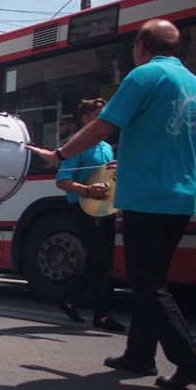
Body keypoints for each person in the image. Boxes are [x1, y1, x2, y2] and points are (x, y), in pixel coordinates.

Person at [29, 19, 196, 390]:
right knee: (151, 279)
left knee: (145, 282)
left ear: (140, 47)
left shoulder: (143, 76)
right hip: (181, 194)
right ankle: (139, 355)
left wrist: (60, 154)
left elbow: (103, 126)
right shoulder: (194, 83)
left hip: (148, 194)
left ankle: (192, 362)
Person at [54, 98, 125, 333]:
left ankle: (70, 300)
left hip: (106, 209)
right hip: (84, 209)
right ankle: (100, 315)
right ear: (85, 118)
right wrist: (87, 190)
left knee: (104, 262)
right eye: (99, 115)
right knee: (100, 259)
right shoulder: (77, 144)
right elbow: (62, 180)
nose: (106, 120)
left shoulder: (106, 147)